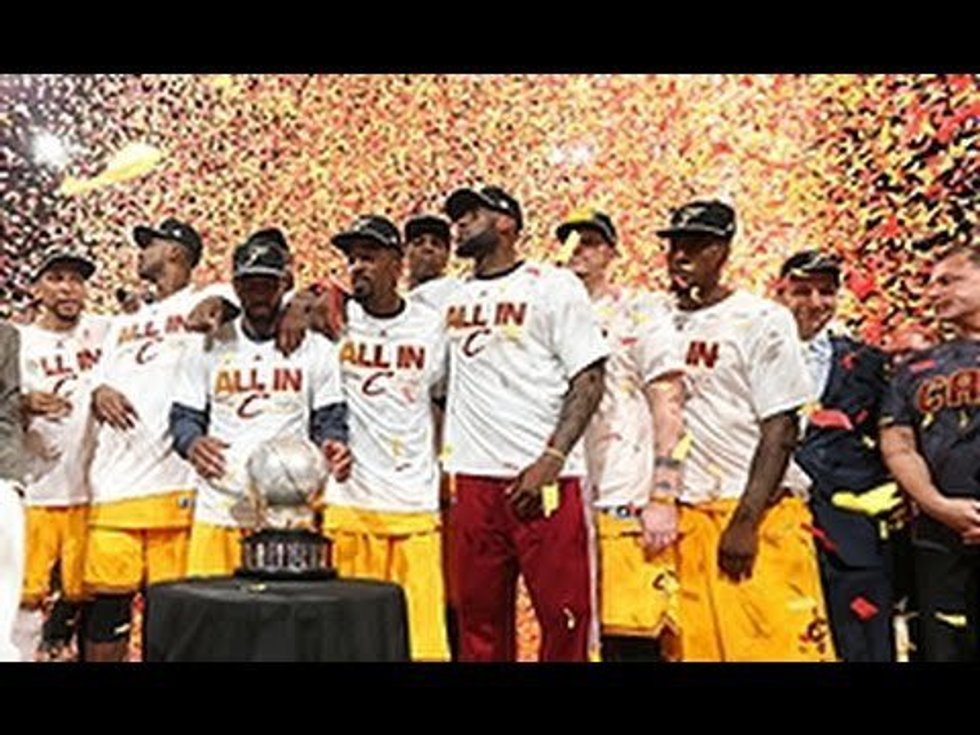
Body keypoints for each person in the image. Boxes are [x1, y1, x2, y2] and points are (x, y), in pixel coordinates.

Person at [658, 199, 834, 661]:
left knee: (776, 648)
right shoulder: (654, 319)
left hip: (752, 510)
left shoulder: (761, 319)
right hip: (685, 511)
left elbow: (782, 427)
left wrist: (745, 521)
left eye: (697, 244)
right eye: (675, 244)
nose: (681, 255)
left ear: (723, 250)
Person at [443, 185, 608, 661]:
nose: (460, 225)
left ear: (506, 223)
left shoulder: (552, 285)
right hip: (474, 478)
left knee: (564, 617)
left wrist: (551, 459)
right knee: (479, 622)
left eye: (473, 214)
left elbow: (589, 378)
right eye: (458, 217)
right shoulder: (450, 297)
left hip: (546, 478)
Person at [561, 208, 686, 661]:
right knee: (575, 630)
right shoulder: (548, 314)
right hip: (565, 496)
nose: (580, 250)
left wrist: (663, 495)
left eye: (592, 241)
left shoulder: (639, 312)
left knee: (632, 633)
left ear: (612, 252)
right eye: (572, 241)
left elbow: (669, 403)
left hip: (624, 493)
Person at [323, 214, 450, 661]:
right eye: (352, 259)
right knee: (347, 644)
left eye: (369, 257)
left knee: (423, 642)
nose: (357, 266)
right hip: (348, 503)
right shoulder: (334, 320)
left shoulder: (431, 326)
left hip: (413, 503)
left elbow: (444, 399)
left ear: (397, 263)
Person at [776, 249, 896, 661]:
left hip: (850, 530)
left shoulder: (868, 362)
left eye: (825, 292)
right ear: (779, 293)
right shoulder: (749, 353)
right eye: (802, 291)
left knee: (863, 646)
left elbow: (892, 439)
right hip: (771, 524)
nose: (814, 302)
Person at [880, 243, 980, 661]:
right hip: (940, 534)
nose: (933, 292)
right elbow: (899, 445)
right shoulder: (914, 368)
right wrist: (938, 505)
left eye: (948, 281)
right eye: (931, 283)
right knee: (943, 649)